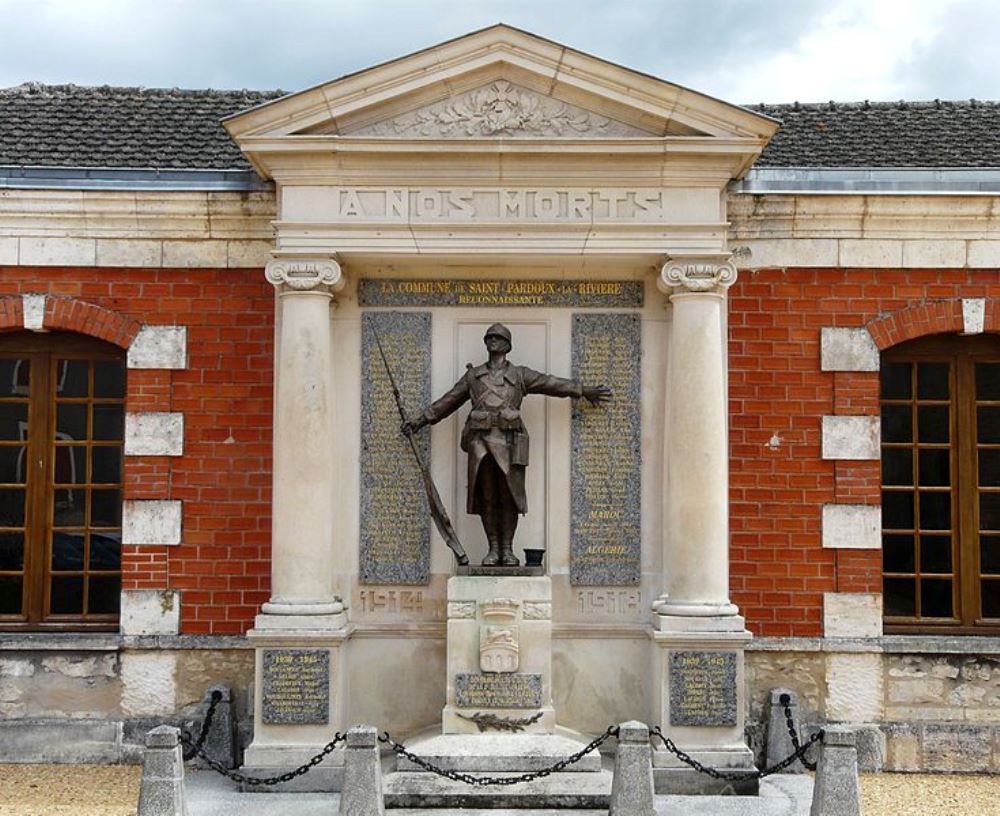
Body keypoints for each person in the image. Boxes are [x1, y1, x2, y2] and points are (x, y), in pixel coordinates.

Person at [402, 323, 611, 566]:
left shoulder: (520, 375)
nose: (493, 340)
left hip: (510, 444)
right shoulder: (474, 376)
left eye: (498, 338)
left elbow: (550, 383)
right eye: (489, 337)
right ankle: (493, 550)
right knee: (488, 496)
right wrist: (419, 420)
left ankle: (507, 550)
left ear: (507, 346)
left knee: (510, 496)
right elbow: (447, 402)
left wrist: (582, 390)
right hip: (480, 444)